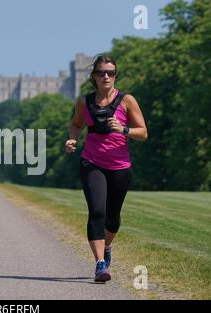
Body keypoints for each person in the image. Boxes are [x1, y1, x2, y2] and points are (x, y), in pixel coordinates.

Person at [65, 55, 148, 282]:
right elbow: (76, 124)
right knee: (97, 212)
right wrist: (72, 139)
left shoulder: (127, 100)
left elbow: (143, 132)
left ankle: (107, 246)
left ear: (115, 76)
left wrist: (124, 129)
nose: (106, 76)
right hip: (92, 162)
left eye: (110, 72)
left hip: (120, 166)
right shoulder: (85, 102)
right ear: (94, 76)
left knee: (113, 219)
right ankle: (100, 264)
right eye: (101, 72)